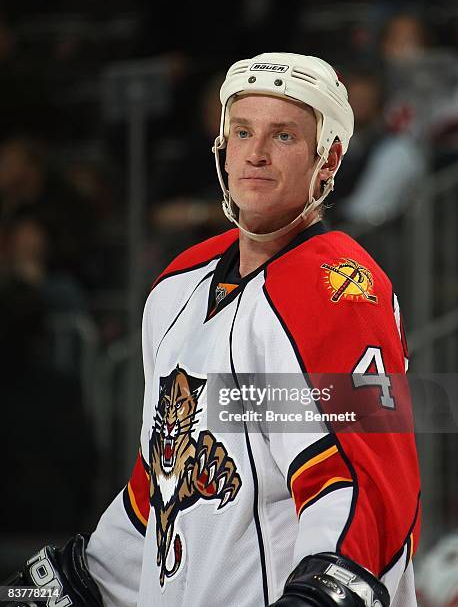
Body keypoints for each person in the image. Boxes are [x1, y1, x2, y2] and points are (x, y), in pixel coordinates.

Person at [5, 53, 421, 606]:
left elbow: (366, 487)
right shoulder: (179, 286)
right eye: (242, 131)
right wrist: (85, 578)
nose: (256, 154)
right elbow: (162, 491)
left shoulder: (338, 289)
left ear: (329, 157)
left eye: (285, 136)